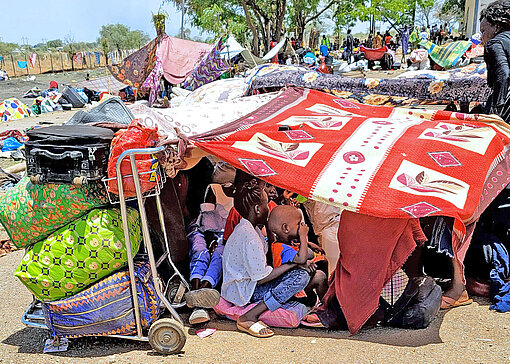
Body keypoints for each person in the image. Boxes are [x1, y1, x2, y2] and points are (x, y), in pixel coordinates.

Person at [221, 179, 312, 338]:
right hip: (244, 292)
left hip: (245, 285)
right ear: (257, 209)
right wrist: (294, 264)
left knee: (299, 272)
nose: (268, 211)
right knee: (300, 276)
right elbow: (262, 279)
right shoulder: (250, 237)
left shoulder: (250, 228)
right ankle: (249, 316)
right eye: (266, 206)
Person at [268, 205, 328, 306]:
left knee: (323, 261)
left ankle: (323, 298)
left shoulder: (284, 244)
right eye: (299, 224)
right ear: (286, 228)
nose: (302, 226)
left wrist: (308, 244)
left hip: (298, 282)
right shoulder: (282, 249)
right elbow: (301, 259)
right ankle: (326, 308)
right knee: (320, 277)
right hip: (292, 291)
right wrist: (303, 236)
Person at [480, 0, 510, 122]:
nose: (481, 37)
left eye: (483, 31)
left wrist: (496, 111)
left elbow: (503, 74)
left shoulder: (494, 44)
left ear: (496, 26)